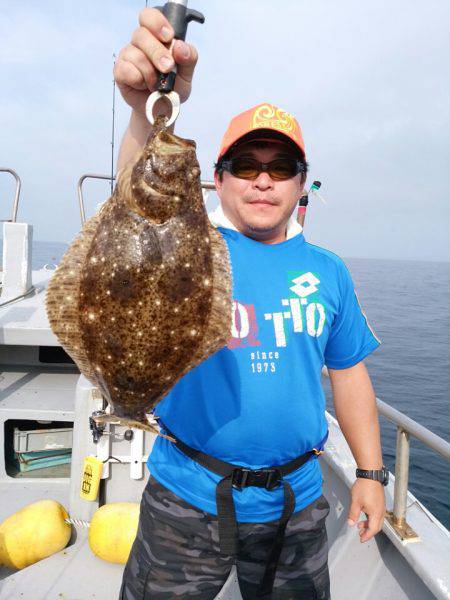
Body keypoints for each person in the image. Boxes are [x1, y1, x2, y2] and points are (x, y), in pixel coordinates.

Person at [115, 8, 387, 600]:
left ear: (300, 182)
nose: (263, 180)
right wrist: (143, 110)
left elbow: (348, 372)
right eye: (246, 165)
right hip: (186, 498)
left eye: (281, 166)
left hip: (297, 505)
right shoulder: (189, 249)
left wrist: (369, 473)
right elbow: (139, 212)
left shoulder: (328, 271)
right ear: (219, 177)